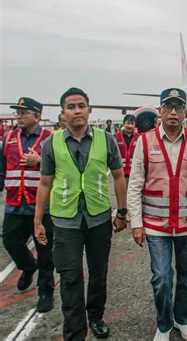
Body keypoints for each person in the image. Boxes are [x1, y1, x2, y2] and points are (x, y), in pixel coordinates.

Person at [34, 87, 128, 341]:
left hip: (99, 218)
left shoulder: (106, 139)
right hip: (65, 221)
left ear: (89, 109)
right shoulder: (50, 143)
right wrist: (38, 220)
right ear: (63, 113)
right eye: (71, 107)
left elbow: (119, 177)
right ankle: (75, 332)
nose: (77, 111)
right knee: (70, 277)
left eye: (81, 105)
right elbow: (45, 183)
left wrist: (122, 212)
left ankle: (95, 317)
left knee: (99, 272)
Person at [127, 88, 187, 341]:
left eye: (178, 107)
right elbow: (135, 184)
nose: (172, 112)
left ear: (184, 112)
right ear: (160, 111)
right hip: (156, 226)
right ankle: (164, 323)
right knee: (162, 278)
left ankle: (183, 319)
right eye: (167, 107)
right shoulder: (145, 142)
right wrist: (136, 223)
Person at [0, 97, 55, 313]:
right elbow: (2, 166)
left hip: (41, 206)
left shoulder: (49, 139)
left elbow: (59, 167)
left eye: (24, 112)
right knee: (11, 242)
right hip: (14, 204)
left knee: (46, 252)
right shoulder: (9, 138)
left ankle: (46, 292)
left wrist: (40, 161)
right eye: (18, 112)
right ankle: (27, 266)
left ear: (37, 116)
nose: (19, 116)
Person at [115, 114, 139, 185]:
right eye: (128, 123)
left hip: (134, 174)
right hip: (120, 173)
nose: (130, 126)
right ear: (123, 124)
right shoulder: (116, 137)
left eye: (132, 124)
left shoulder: (139, 138)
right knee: (121, 195)